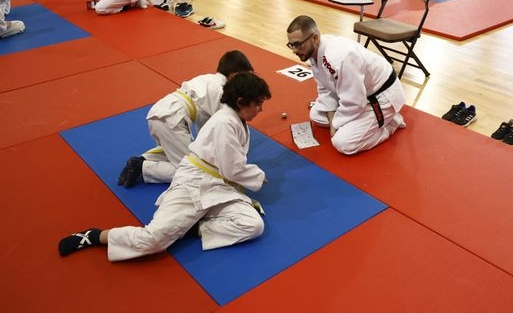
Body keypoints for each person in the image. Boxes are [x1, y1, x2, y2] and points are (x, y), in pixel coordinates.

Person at [58, 72, 272, 261]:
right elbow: (232, 169)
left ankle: (194, 228)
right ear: (242, 101)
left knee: (252, 225)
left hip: (217, 185)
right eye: (258, 103)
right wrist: (258, 175)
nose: (261, 110)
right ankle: (95, 236)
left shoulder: (234, 118)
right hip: (194, 183)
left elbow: (230, 167)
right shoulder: (225, 122)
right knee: (154, 241)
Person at [117, 50, 255, 187]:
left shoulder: (208, 79)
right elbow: (227, 124)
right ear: (234, 75)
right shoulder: (223, 91)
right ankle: (142, 167)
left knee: (188, 151)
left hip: (161, 113)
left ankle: (145, 158)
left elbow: (207, 125)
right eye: (244, 77)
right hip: (171, 120)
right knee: (191, 171)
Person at [286, 15, 406, 155]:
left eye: (298, 44)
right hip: (361, 94)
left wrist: (336, 124)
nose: (294, 50)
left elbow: (355, 102)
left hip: (381, 97)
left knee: (343, 143)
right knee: (316, 115)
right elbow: (325, 89)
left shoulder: (340, 58)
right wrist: (333, 123)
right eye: (291, 45)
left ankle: (390, 124)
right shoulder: (313, 52)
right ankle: (364, 123)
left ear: (315, 38)